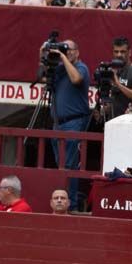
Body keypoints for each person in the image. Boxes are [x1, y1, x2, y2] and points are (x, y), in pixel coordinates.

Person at [45, 38, 90, 197]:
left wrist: (63, 57)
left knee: (69, 165)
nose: (68, 52)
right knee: (61, 165)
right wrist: (44, 53)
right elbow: (43, 76)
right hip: (58, 123)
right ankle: (64, 197)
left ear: (77, 52)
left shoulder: (81, 67)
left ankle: (71, 201)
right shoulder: (59, 69)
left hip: (74, 121)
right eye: (65, 50)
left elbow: (76, 79)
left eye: (70, 49)